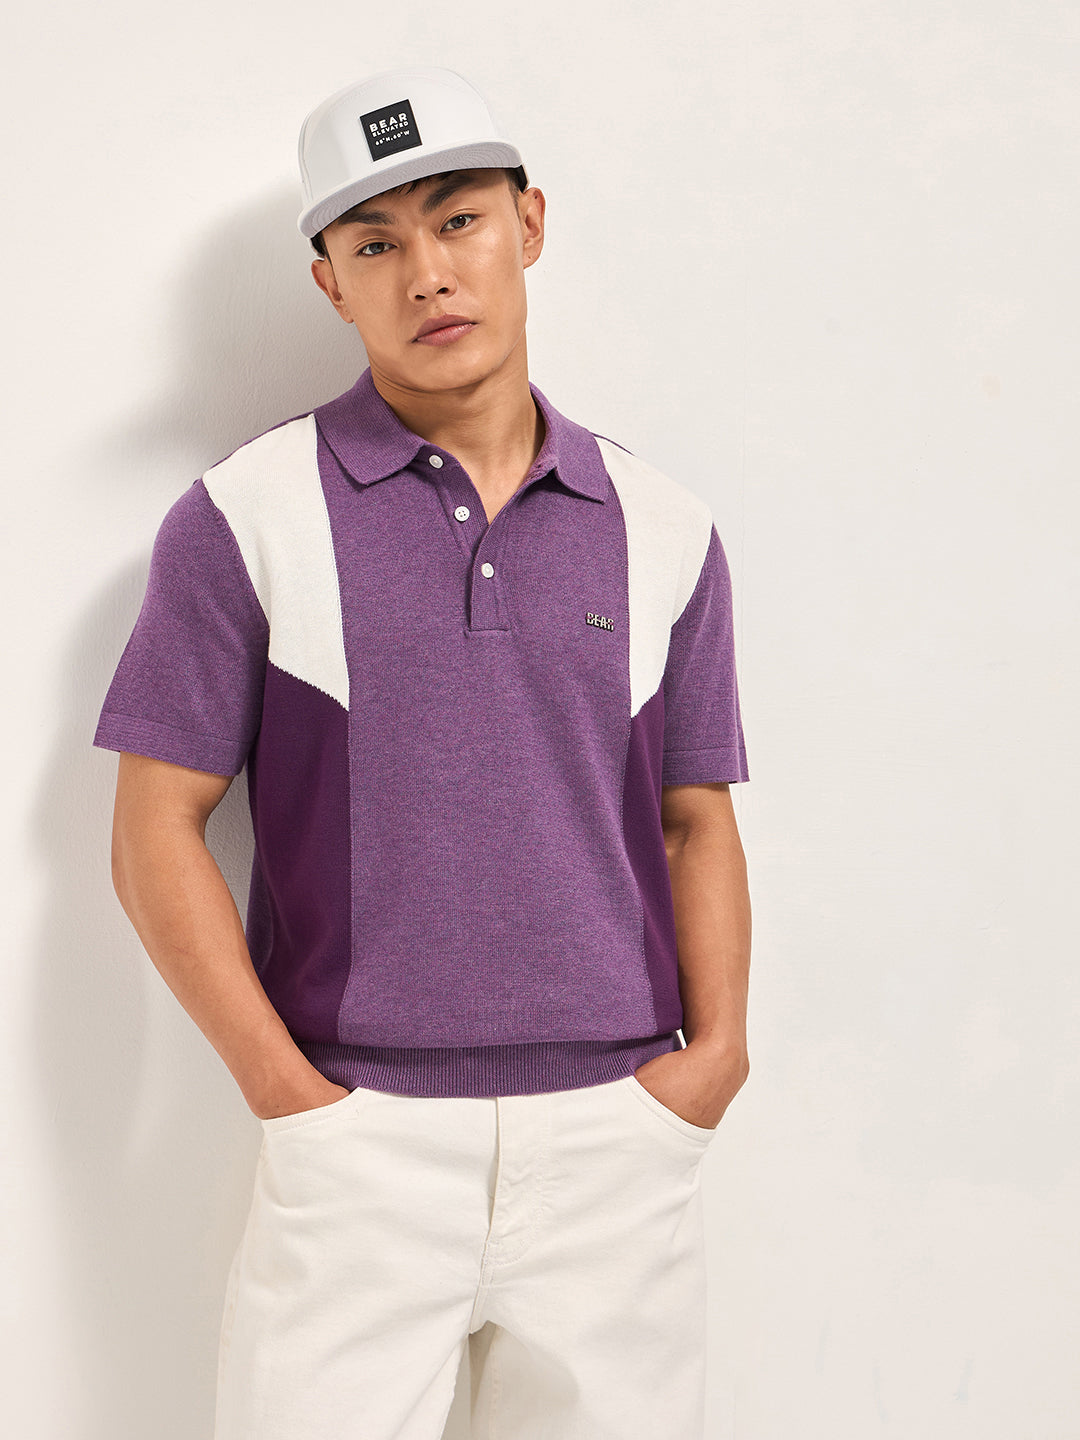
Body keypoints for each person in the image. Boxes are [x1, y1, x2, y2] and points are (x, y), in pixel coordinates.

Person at [94, 64, 753, 1440]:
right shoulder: (245, 517)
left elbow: (695, 815)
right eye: (376, 243)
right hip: (359, 1149)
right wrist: (288, 1094)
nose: (428, 274)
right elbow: (154, 824)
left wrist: (716, 1062)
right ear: (330, 283)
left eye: (458, 220)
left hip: (617, 1143)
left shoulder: (664, 524)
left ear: (529, 224)